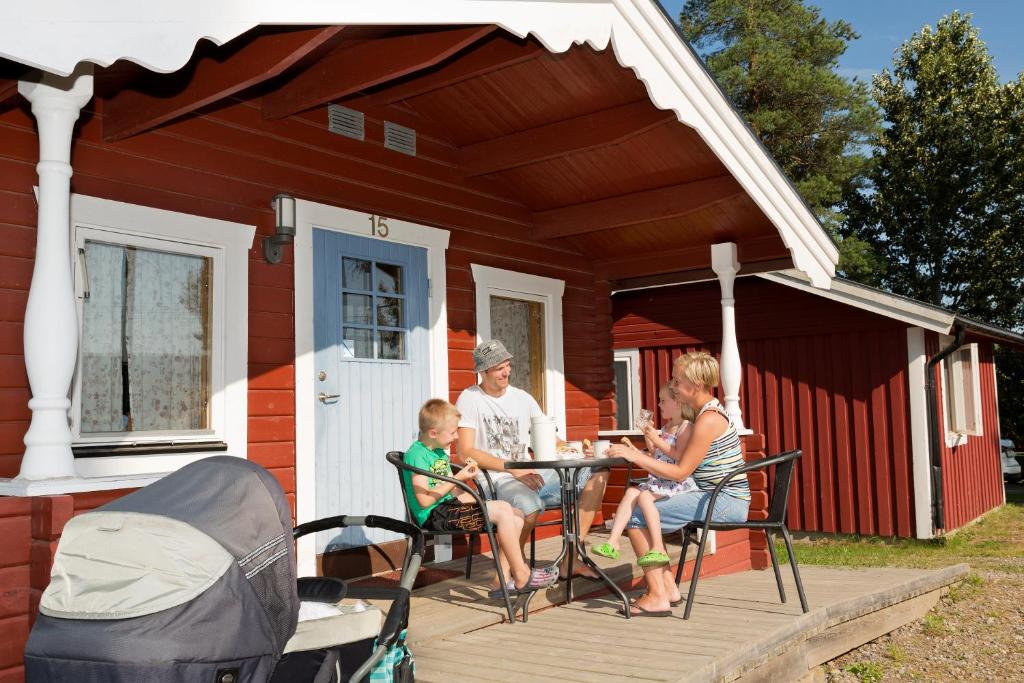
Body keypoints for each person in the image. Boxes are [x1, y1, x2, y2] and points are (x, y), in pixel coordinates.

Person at [455, 340, 610, 593]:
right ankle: (510, 571)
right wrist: (513, 469)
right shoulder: (470, 399)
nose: (506, 372)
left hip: (532, 473)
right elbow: (465, 452)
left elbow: (549, 439)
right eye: (498, 368)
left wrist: (578, 450)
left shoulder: (522, 398)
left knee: (597, 472)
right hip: (497, 478)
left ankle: (571, 557)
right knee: (529, 505)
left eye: (507, 366)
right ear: (482, 372)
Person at [607, 351, 750, 617]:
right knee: (641, 502)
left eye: (676, 381)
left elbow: (680, 472)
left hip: (724, 501)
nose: (672, 387)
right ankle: (669, 588)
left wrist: (634, 455)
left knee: (636, 516)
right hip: (713, 495)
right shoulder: (705, 414)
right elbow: (678, 462)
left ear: (695, 385)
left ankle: (658, 595)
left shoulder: (707, 420)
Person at [402, 398, 557, 595]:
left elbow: (455, 492)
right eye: (452, 432)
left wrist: (482, 502)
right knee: (502, 509)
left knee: (515, 513)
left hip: (449, 508)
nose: (457, 436)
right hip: (433, 515)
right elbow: (424, 500)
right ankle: (522, 574)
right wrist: (459, 477)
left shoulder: (439, 452)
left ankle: (502, 578)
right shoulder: (416, 455)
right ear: (433, 433)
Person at [591, 383, 696, 566]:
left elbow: (678, 455)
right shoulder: (667, 427)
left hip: (676, 482)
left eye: (664, 401)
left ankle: (658, 547)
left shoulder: (686, 427)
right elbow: (656, 454)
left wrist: (655, 438)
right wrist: (648, 436)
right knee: (632, 492)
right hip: (662, 480)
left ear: (678, 403)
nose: (660, 405)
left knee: (645, 497)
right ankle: (613, 542)